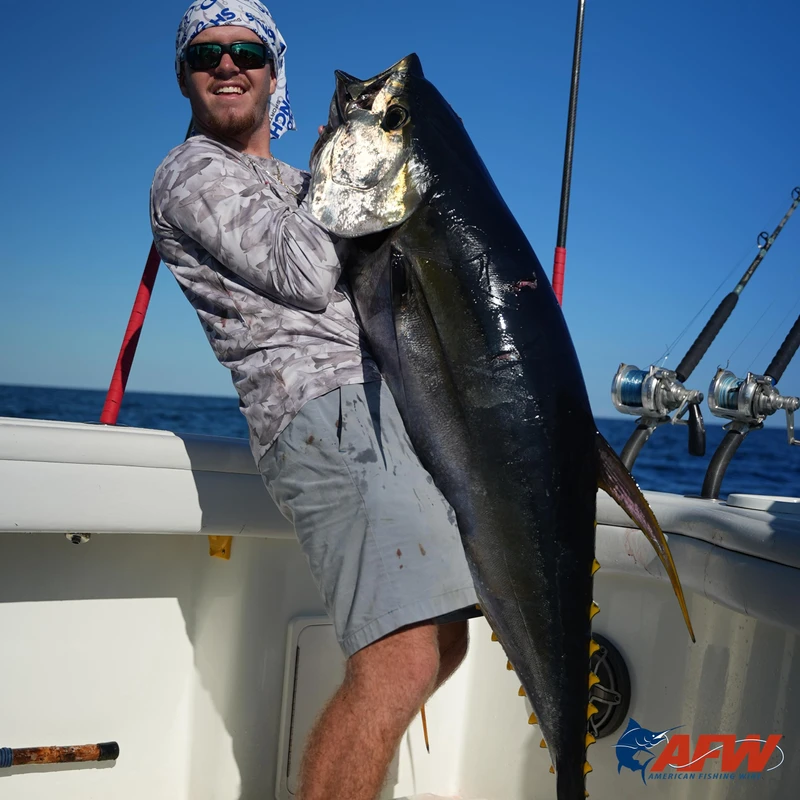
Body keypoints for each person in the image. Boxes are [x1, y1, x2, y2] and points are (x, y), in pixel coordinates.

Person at [150, 3, 480, 798]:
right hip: (320, 413)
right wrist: (349, 170)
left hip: (389, 410)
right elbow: (303, 274)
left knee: (444, 645)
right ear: (184, 77)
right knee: (400, 660)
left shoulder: (300, 182)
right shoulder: (190, 173)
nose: (226, 65)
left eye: (246, 51)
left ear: (275, 72)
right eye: (205, 55)